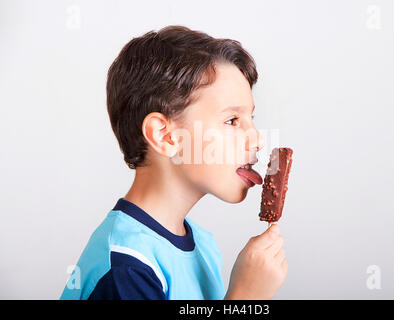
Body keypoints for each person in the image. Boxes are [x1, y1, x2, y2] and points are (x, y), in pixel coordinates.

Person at [60, 25, 288, 300]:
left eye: (251, 118)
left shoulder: (203, 245)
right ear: (165, 135)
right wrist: (246, 296)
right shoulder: (126, 270)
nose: (257, 139)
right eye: (232, 120)